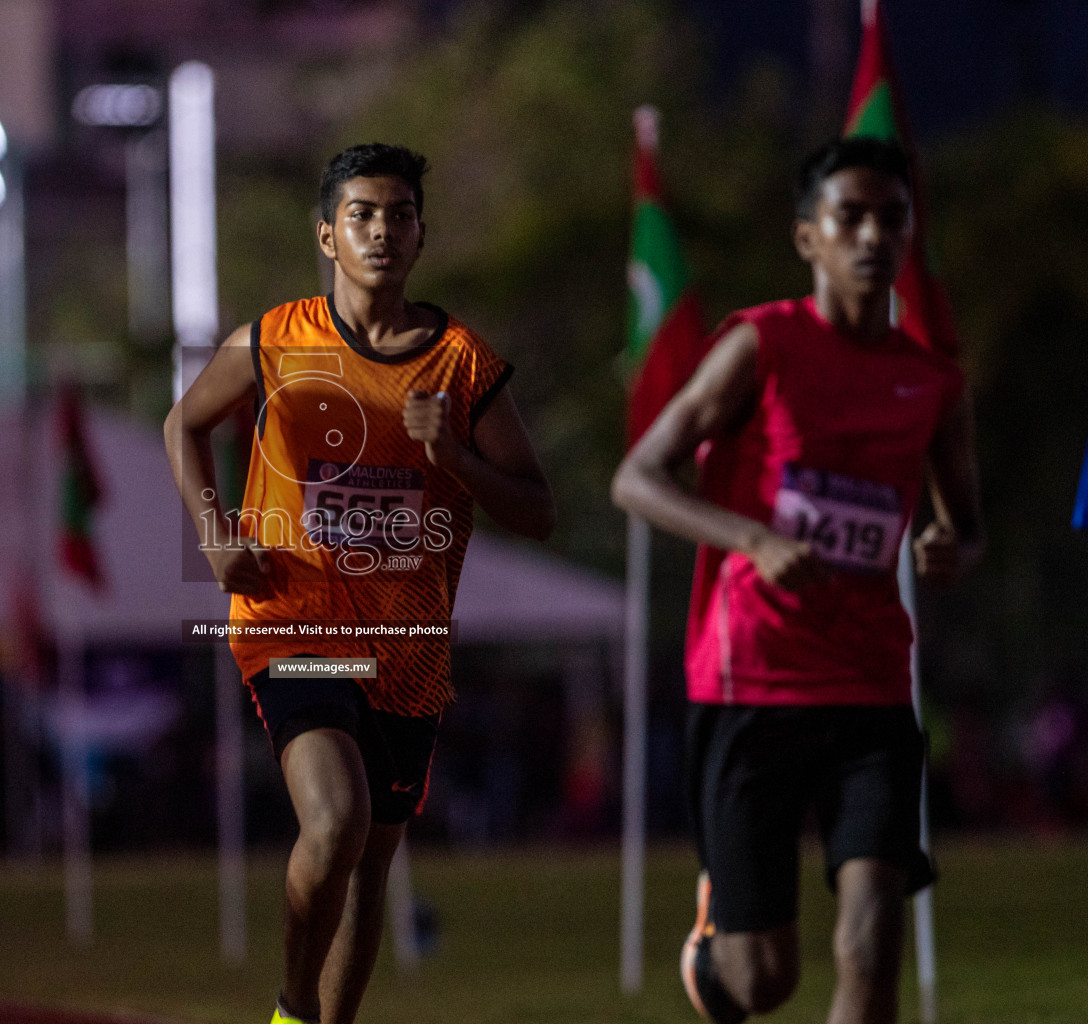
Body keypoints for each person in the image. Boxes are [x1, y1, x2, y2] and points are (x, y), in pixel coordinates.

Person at [164, 143, 555, 1024]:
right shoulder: (275, 338)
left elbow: (538, 510)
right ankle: (292, 1009)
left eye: (399, 215)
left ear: (421, 236)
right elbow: (182, 423)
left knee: (372, 856)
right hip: (291, 626)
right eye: (362, 216)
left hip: (407, 649)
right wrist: (215, 535)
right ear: (327, 235)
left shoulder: (462, 365)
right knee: (334, 821)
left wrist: (451, 456)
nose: (381, 231)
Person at [612, 136, 984, 1024]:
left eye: (892, 218)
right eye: (848, 217)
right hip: (753, 685)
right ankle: (715, 950)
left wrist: (949, 547)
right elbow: (638, 477)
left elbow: (966, 526)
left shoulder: (932, 384)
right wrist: (749, 536)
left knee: (868, 943)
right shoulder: (761, 345)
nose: (872, 236)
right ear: (807, 238)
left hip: (871, 689)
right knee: (762, 980)